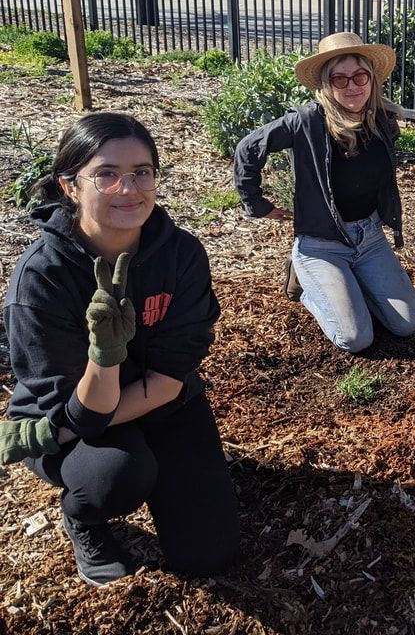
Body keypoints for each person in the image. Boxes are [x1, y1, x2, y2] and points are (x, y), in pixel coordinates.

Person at [2, 112, 239, 586]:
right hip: (75, 411)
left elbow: (172, 376)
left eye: (141, 172)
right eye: (106, 174)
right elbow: (78, 405)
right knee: (117, 475)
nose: (128, 189)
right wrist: (104, 359)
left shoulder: (181, 254)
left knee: (207, 554)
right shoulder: (42, 278)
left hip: (149, 402)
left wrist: (63, 431)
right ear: (70, 186)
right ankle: (84, 518)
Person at [233, 32, 415, 353]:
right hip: (322, 245)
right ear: (326, 83)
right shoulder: (307, 122)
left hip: (370, 239)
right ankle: (308, 282)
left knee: (407, 324)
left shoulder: (383, 122)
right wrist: (256, 203)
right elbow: (248, 148)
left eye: (360, 76)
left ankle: (350, 284)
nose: (352, 86)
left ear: (372, 79)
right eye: (340, 78)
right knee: (355, 338)